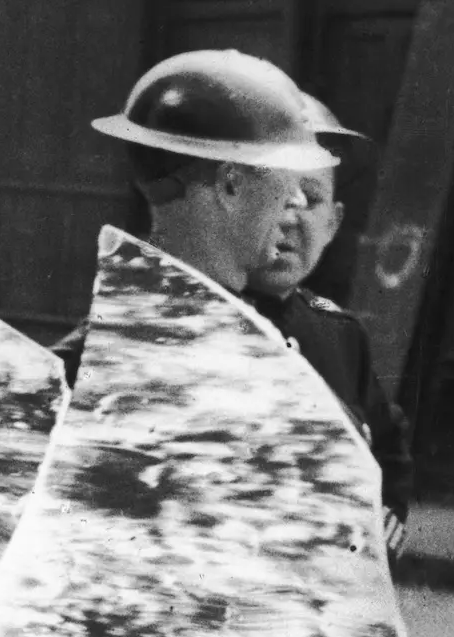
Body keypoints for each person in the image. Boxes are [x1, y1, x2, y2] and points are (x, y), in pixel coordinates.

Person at [53, 51, 408, 554]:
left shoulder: (258, 337)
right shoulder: (92, 365)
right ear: (231, 185)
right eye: (285, 184)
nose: (295, 206)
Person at [243, 94, 414, 553]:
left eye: (312, 200)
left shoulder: (339, 334)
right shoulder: (200, 318)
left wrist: (383, 524)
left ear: (334, 224)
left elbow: (385, 444)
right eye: (276, 194)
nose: (291, 216)